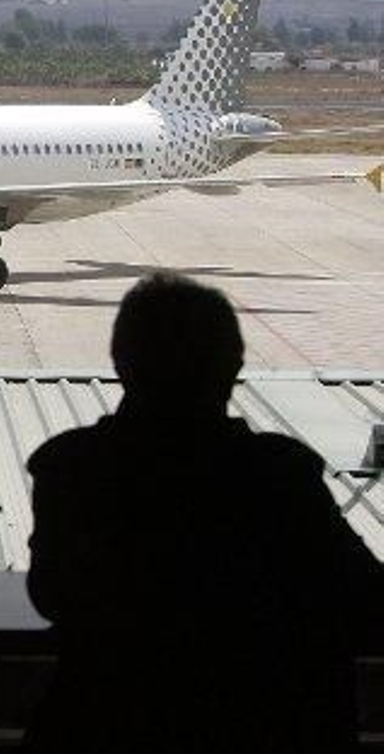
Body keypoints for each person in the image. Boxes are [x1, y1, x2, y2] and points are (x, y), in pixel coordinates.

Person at [24, 272, 384, 752]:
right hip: (268, 729)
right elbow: (366, 603)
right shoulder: (280, 476)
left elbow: (51, 595)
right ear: (232, 367)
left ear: (121, 364)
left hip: (109, 725)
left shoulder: (70, 468)